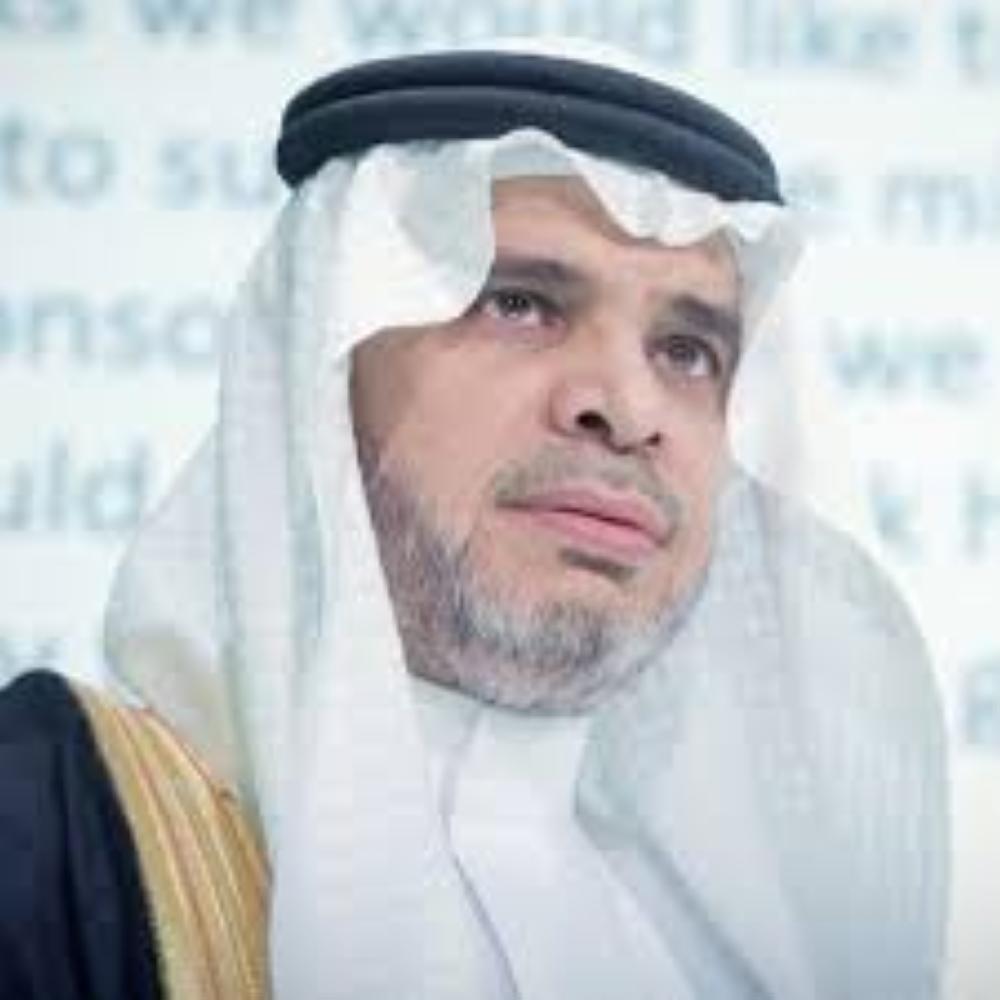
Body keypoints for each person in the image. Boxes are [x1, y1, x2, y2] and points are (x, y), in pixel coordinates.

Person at [0, 42, 948, 1000]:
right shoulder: (51, 828)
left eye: (686, 351)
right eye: (520, 304)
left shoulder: (740, 949)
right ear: (322, 372)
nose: (628, 409)